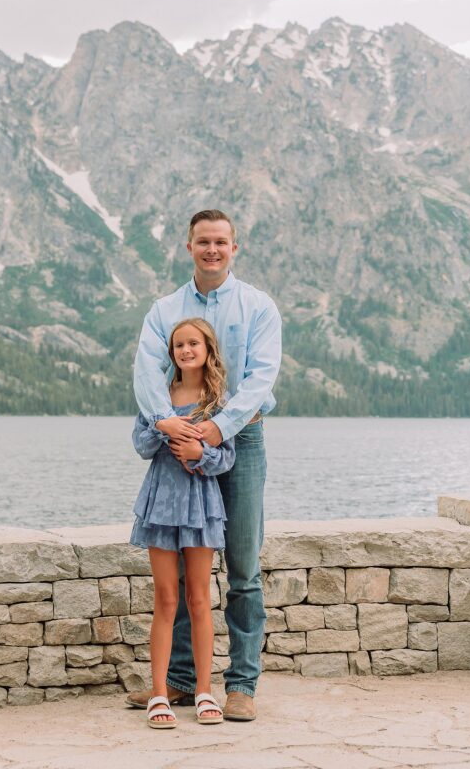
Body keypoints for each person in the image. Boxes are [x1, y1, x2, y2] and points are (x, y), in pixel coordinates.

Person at [129, 208, 282, 722]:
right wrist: (164, 422)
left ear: (234, 248)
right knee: (178, 565)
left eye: (221, 242)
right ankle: (178, 682)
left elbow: (261, 380)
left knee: (242, 567)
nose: (212, 249)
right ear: (189, 246)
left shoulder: (258, 307)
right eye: (203, 242)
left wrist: (216, 430)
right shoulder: (165, 308)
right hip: (176, 443)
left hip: (242, 438)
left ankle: (241, 685)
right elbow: (146, 370)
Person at [130, 317, 235, 728]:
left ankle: (204, 691)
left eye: (194, 344)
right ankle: (160, 694)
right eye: (179, 345)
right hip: (160, 504)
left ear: (208, 350)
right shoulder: (157, 396)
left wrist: (199, 453)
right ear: (171, 353)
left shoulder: (218, 403)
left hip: (200, 505)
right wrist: (162, 424)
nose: (186, 350)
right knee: (165, 600)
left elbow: (226, 458)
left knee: (198, 598)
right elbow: (140, 445)